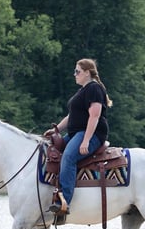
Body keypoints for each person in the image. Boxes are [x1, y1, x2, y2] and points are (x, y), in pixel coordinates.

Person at [45, 58, 112, 217]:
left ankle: (64, 202)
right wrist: (56, 130)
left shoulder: (94, 88)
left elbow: (94, 116)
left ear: (87, 73)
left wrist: (87, 140)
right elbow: (71, 116)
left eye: (77, 71)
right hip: (76, 133)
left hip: (92, 133)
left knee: (68, 157)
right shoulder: (83, 90)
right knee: (50, 149)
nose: (74, 74)